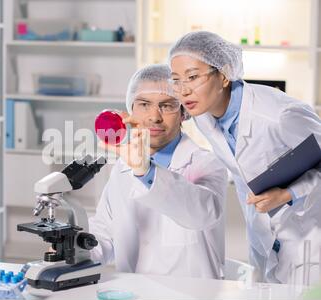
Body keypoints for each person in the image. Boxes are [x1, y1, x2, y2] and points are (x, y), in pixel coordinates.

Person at [168, 31, 321, 283]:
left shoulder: (280, 115)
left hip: (309, 237)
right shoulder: (204, 112)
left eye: (193, 77)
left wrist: (288, 194)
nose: (183, 91)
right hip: (263, 237)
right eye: (176, 80)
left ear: (225, 74)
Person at [89, 64, 227, 279]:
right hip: (133, 293)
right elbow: (104, 234)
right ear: (131, 109)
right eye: (144, 104)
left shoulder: (206, 163)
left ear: (183, 113)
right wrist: (72, 254)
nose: (154, 117)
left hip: (190, 293)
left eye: (167, 105)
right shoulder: (123, 167)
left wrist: (146, 172)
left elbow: (203, 214)